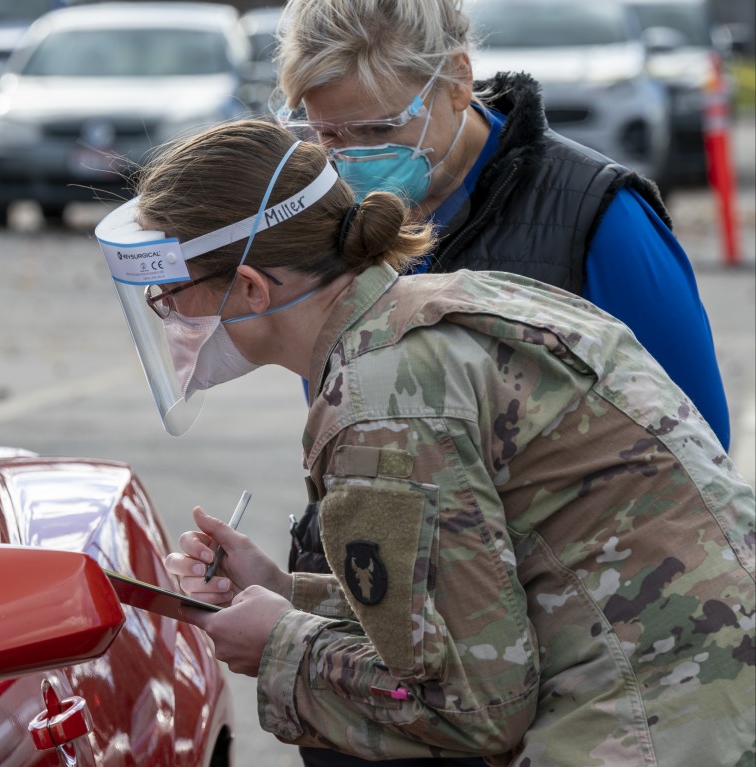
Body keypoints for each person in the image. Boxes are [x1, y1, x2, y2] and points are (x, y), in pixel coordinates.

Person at [92, 119, 755, 766]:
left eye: (170, 297)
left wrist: (278, 647)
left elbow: (476, 705)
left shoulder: (379, 402)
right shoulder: (447, 305)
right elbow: (475, 604)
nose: (170, 317)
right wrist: (284, 592)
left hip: (653, 723)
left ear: (248, 287)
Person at [269, 5, 732, 761]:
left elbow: (697, 457)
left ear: (456, 81)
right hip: (424, 685)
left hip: (592, 691)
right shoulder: (346, 234)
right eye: (328, 137)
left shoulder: (597, 215)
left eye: (380, 130)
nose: (352, 163)